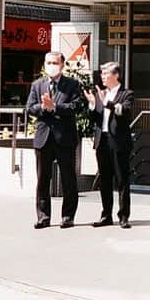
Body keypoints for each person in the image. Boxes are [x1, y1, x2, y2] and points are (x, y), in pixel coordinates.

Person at [26, 51, 83, 229]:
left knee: (68, 179)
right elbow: (29, 108)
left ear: (62, 64)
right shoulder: (37, 85)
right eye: (48, 62)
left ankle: (68, 216)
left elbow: (76, 107)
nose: (51, 66)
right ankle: (43, 216)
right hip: (43, 138)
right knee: (43, 179)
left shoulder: (72, 84)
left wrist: (55, 107)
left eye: (55, 62)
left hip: (64, 138)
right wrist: (43, 107)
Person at [83, 62, 134, 229]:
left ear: (116, 75)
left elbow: (124, 112)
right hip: (102, 140)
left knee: (122, 180)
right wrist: (92, 104)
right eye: (102, 74)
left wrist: (108, 103)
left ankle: (124, 216)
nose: (103, 77)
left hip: (118, 142)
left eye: (106, 74)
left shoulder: (126, 94)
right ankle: (106, 215)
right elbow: (95, 119)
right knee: (104, 179)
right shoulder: (100, 93)